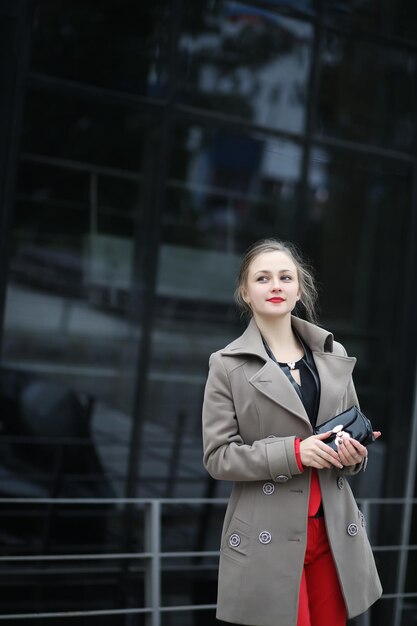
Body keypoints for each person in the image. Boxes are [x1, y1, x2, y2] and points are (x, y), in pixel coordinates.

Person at [202, 238, 382, 626]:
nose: (276, 285)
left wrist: (354, 455)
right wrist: (296, 453)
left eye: (285, 277)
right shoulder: (227, 365)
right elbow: (218, 456)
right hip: (267, 533)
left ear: (299, 290)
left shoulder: (332, 355)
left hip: (333, 530)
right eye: (263, 278)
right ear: (245, 292)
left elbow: (348, 444)